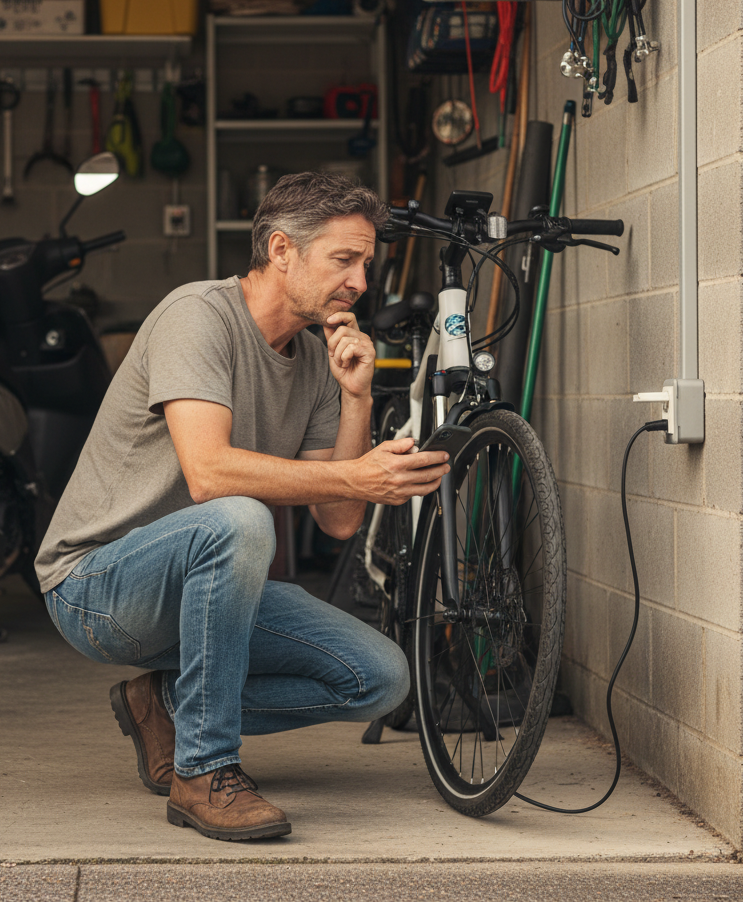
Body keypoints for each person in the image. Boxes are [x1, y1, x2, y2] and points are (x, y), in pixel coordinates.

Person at [35, 172, 450, 842]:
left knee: (380, 678)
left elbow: (339, 518)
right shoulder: (196, 316)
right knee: (240, 516)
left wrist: (356, 398)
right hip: (97, 586)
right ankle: (203, 772)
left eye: (366, 264)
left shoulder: (317, 362)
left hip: (211, 585)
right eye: (344, 260)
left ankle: (165, 704)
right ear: (281, 249)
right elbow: (207, 474)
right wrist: (357, 473)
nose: (360, 283)